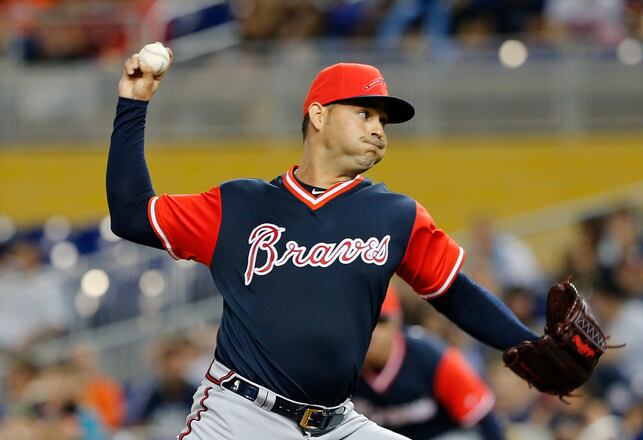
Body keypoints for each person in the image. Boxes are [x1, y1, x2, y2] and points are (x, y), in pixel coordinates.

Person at [107, 48, 541, 439]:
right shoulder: (239, 205)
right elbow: (131, 215)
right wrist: (133, 103)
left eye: (383, 121)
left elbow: (455, 292)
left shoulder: (396, 214)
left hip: (336, 422)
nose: (379, 130)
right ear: (318, 115)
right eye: (364, 113)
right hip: (240, 416)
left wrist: (530, 345)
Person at [354, 287, 503, 440]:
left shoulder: (433, 357)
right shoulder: (338, 365)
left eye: (381, 321)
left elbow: (485, 419)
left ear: (397, 321)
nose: (373, 332)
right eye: (363, 323)